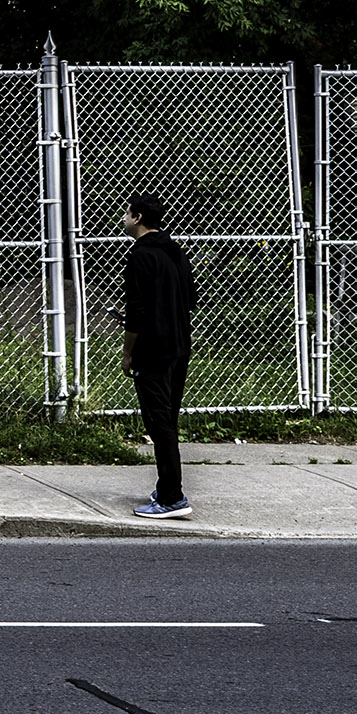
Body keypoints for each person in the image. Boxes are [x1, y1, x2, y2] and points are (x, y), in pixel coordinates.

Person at [119, 194, 196, 521]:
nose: (123, 217)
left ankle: (171, 497)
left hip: (152, 349)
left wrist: (128, 352)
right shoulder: (175, 250)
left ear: (137, 217)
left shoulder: (139, 256)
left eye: (126, 212)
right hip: (179, 345)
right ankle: (167, 487)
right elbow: (192, 298)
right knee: (169, 418)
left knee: (158, 422)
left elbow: (137, 313)